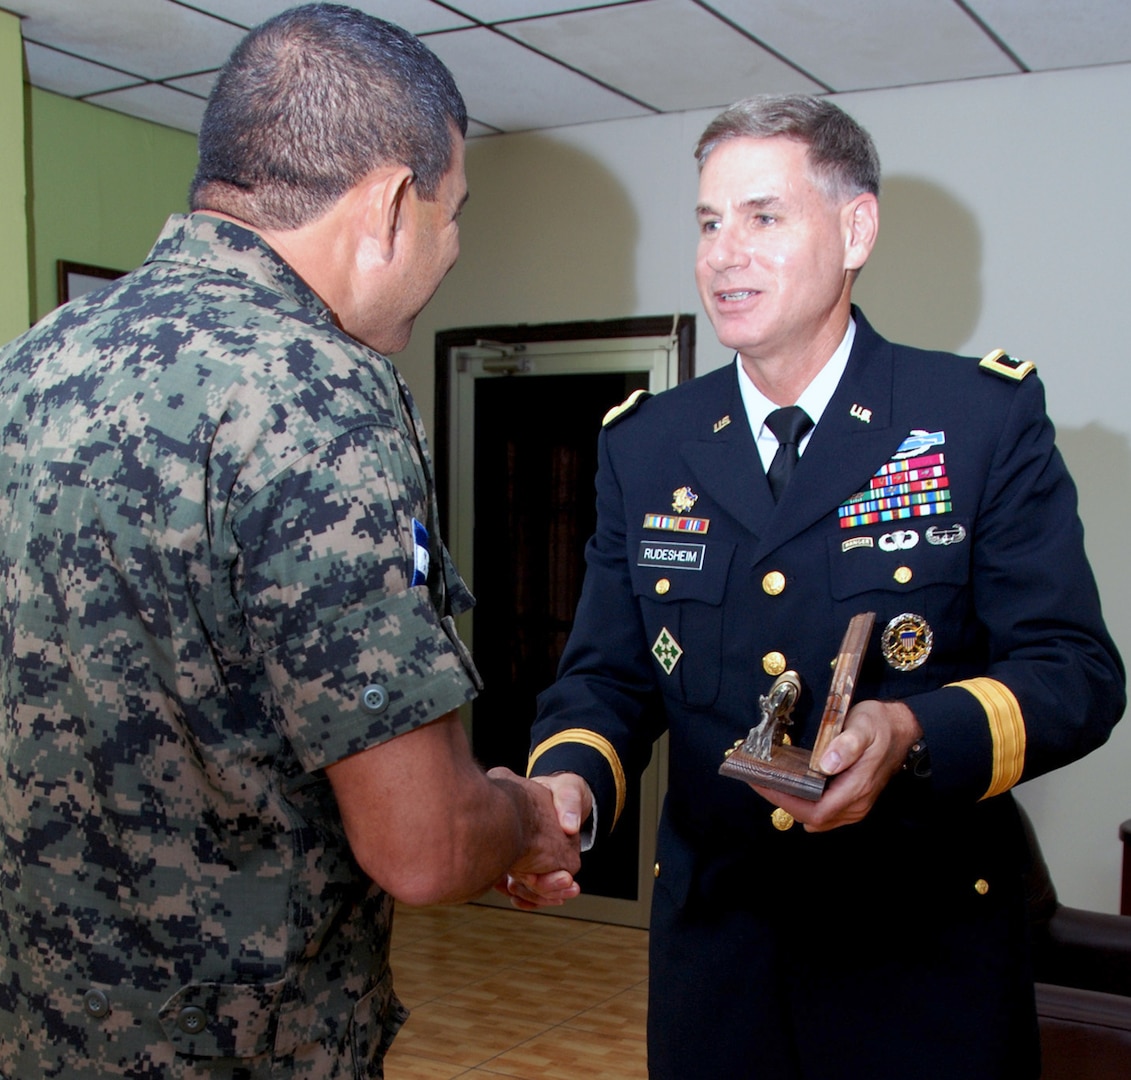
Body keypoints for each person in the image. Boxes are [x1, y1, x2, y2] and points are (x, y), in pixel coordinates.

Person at [0, 6, 580, 1078]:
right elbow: (424, 843)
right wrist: (526, 817)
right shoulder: (319, 389)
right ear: (392, 205)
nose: (453, 248)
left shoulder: (30, 366)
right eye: (454, 213)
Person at [516, 94, 1125, 1078]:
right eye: (709, 222)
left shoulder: (975, 420)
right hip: (719, 966)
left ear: (855, 229)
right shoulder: (647, 444)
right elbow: (608, 680)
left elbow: (1076, 675)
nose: (723, 253)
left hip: (921, 964)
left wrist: (910, 733)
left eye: (763, 216)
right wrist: (568, 787)